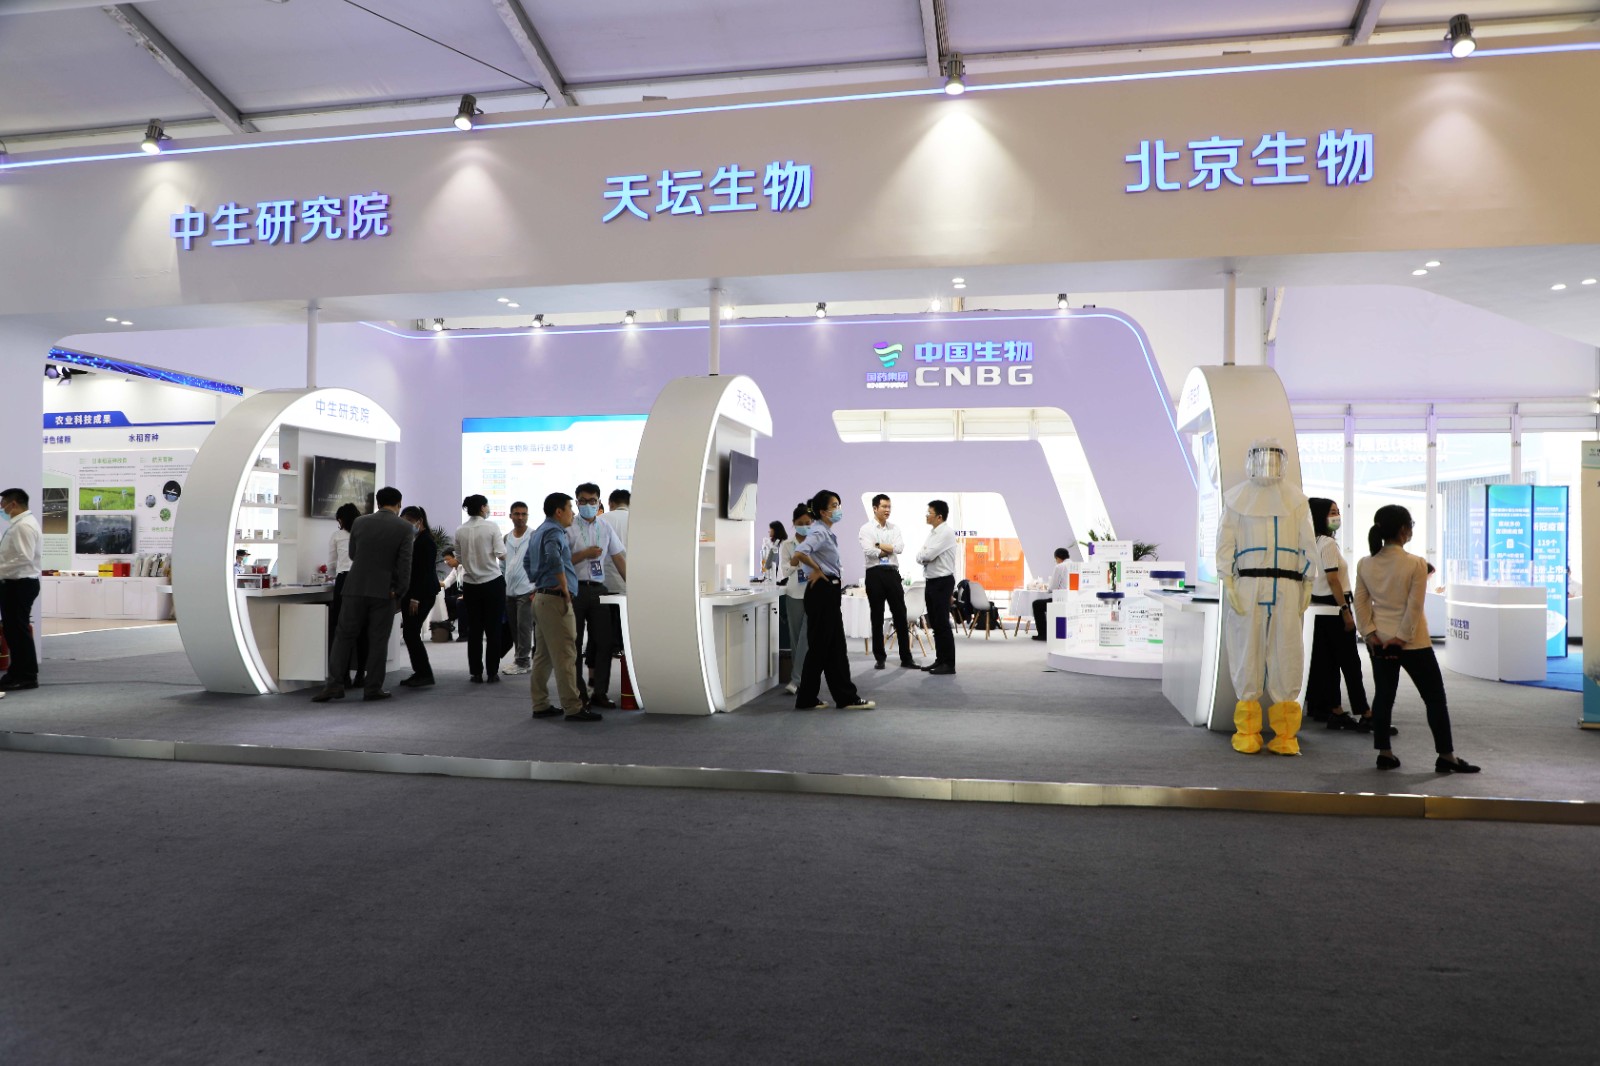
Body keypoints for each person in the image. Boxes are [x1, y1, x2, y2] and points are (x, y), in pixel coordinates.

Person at [1354, 505, 1481, 773]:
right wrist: (1401, 638)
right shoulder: (1416, 563)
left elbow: (1361, 603)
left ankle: (1384, 753)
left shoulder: (1365, 563)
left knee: (1383, 697)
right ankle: (1446, 756)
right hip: (1414, 643)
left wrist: (1370, 634)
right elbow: (1414, 607)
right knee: (1434, 698)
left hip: (1379, 641)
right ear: (1404, 529)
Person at [1217, 439, 1316, 756]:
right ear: (1252, 460)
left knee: (1287, 651)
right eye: (1263, 457)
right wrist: (1227, 580)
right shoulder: (1236, 500)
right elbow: (1225, 542)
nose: (1268, 464)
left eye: (1274, 457)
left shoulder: (1296, 502)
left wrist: (1308, 580)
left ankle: (1286, 734)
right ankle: (1247, 730)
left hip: (1287, 585)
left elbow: (1307, 542)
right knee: (1246, 650)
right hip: (1248, 584)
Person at [313, 486, 413, 702]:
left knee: (343, 637)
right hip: (384, 591)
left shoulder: (360, 522)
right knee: (378, 640)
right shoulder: (405, 528)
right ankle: (372, 688)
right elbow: (405, 564)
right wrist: (399, 591)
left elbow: (352, 554)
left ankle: (334, 685)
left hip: (354, 587)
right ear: (399, 504)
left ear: (378, 503)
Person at [790, 490, 874, 711]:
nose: (839, 510)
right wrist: (817, 569)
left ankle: (840, 697)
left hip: (827, 592)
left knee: (833, 647)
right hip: (822, 592)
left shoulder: (824, 531)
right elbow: (799, 552)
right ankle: (813, 698)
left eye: (839, 505)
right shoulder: (819, 531)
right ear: (822, 511)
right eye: (834, 505)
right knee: (821, 647)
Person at [526, 492, 596, 721]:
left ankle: (540, 704)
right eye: (570, 508)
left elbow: (527, 561)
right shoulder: (554, 532)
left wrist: (539, 581)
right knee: (566, 654)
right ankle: (573, 707)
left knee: (543, 656)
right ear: (559, 511)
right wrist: (563, 585)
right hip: (555, 601)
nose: (573, 513)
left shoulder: (538, 531)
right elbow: (553, 557)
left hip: (542, 598)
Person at [1306, 498, 1370, 731]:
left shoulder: (1311, 541)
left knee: (1326, 662)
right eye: (1332, 512)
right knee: (1350, 662)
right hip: (1335, 606)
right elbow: (1333, 579)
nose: (1336, 517)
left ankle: (1332, 709)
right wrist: (1345, 612)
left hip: (1317, 607)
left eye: (1337, 512)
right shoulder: (1328, 543)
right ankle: (1365, 712)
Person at [568, 482, 627, 709]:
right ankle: (579, 694)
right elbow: (562, 562)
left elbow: (618, 558)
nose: (588, 505)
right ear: (577, 502)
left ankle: (600, 692)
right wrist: (584, 554)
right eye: (583, 501)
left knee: (604, 642)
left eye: (592, 501)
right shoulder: (569, 527)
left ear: (599, 502)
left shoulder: (605, 526)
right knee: (574, 644)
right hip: (575, 589)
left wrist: (633, 586)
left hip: (599, 589)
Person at [859, 494, 918, 670]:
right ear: (875, 508)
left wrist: (878, 544)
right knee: (876, 617)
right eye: (884, 506)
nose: (887, 510)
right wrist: (885, 548)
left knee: (900, 615)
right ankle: (880, 657)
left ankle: (906, 658)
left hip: (892, 573)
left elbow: (899, 548)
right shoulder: (866, 529)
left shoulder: (894, 528)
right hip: (874, 574)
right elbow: (869, 551)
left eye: (889, 507)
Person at [454, 494, 505, 683]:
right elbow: (501, 553)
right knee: (493, 629)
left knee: (474, 629)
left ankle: (476, 672)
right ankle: (492, 672)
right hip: (492, 582)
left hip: (470, 585)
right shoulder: (491, 527)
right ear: (483, 507)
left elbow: (459, 558)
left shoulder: (460, 530)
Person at [0, 487, 43, 692]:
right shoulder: (20, 524)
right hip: (15, 583)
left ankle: (27, 676)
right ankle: (16, 672)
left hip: (20, 584)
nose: (2, 508)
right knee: (13, 631)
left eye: (3, 504)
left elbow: (24, 557)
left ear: (13, 504)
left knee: (18, 631)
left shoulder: (23, 526)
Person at [327, 502, 368, 688]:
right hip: (363, 581)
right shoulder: (365, 534)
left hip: (344, 582)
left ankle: (343, 676)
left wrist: (331, 574)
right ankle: (361, 674)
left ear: (341, 520)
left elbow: (331, 564)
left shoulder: (337, 536)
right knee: (363, 630)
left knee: (342, 630)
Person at [917, 500, 958, 675]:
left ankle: (948, 663)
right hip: (932, 581)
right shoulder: (933, 533)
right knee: (935, 623)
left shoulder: (946, 532)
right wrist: (924, 555)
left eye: (929, 513)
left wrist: (925, 555)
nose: (927, 515)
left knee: (942, 623)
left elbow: (928, 555)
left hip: (942, 581)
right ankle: (940, 659)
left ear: (939, 516)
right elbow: (920, 555)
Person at [397, 505, 437, 688]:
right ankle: (421, 672)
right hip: (416, 593)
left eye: (408, 522)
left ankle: (424, 673)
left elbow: (424, 573)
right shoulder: (417, 539)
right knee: (410, 633)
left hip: (420, 595)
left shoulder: (425, 541)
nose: (405, 526)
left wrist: (415, 598)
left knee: (411, 633)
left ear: (419, 521)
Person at [780, 503, 813, 695]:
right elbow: (785, 571)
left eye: (808, 523)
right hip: (794, 594)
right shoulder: (787, 545)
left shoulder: (818, 541)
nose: (805, 526)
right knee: (795, 638)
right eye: (801, 523)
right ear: (794, 523)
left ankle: (796, 679)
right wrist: (797, 557)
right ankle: (800, 676)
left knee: (806, 637)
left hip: (814, 594)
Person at [500, 501, 535, 676]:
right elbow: (503, 565)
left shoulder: (533, 536)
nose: (520, 517)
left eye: (523, 514)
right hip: (510, 590)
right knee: (514, 627)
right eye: (517, 514)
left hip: (527, 590)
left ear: (527, 516)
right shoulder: (506, 538)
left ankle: (524, 661)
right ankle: (519, 658)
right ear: (511, 516)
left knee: (524, 627)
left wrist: (536, 587)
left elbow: (539, 563)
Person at [1033, 547, 1072, 641]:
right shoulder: (1075, 565)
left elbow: (1053, 587)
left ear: (1058, 558)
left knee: (1036, 604)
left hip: (1061, 599)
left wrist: (1047, 588)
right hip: (1073, 599)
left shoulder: (1060, 567)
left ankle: (1043, 634)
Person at [440, 550, 463, 636]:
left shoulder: (464, 567)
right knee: (444, 601)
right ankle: (446, 630)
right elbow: (446, 583)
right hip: (461, 594)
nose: (447, 562)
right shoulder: (455, 569)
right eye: (445, 561)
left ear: (455, 557)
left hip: (471, 593)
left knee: (459, 602)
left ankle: (463, 633)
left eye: (448, 559)